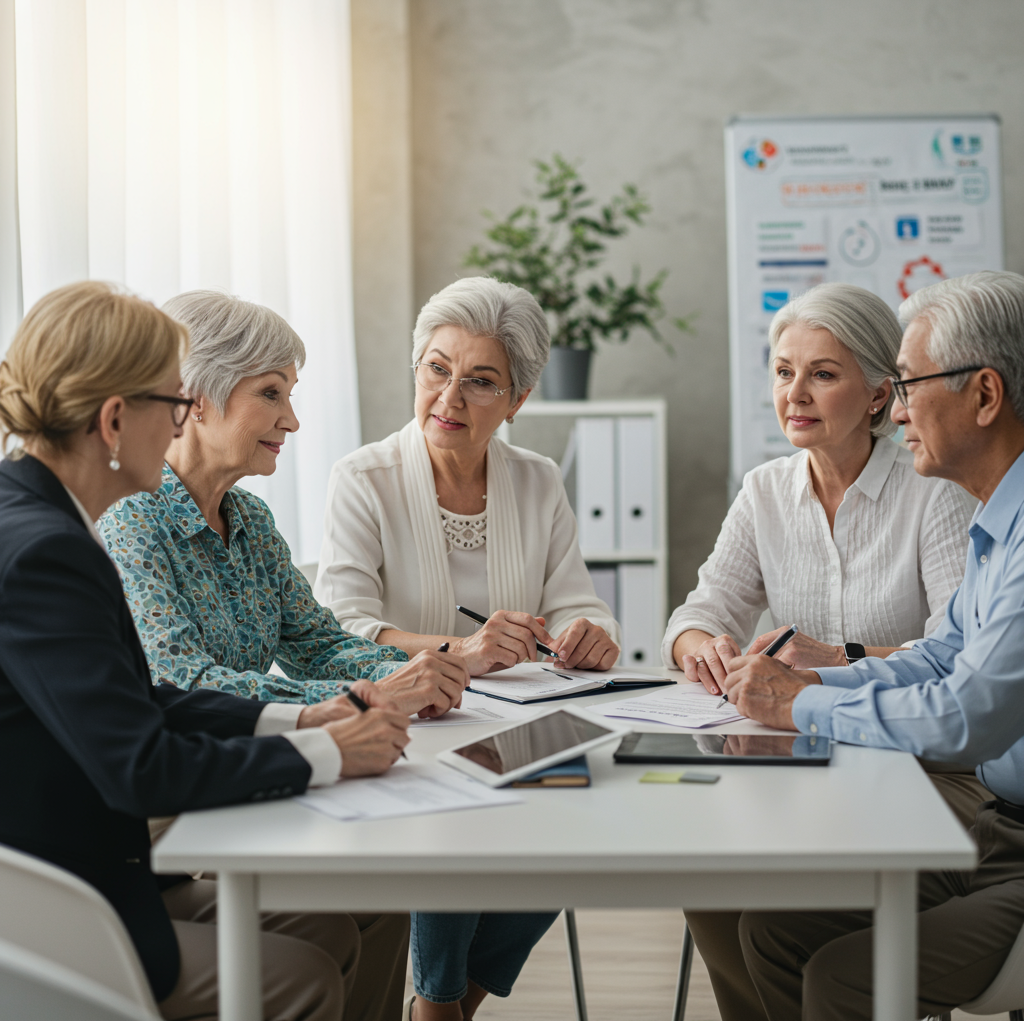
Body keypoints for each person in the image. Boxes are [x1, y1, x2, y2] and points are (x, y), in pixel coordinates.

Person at [0, 281, 411, 1021]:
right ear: (115, 418)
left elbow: (140, 701)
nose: (182, 423)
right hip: (53, 913)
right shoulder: (46, 553)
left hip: (92, 873)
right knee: (305, 976)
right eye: (175, 404)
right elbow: (140, 767)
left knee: (353, 914)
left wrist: (302, 725)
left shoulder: (39, 518)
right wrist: (329, 754)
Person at [663, 283, 981, 1021]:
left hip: (920, 764)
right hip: (802, 755)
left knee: (777, 913)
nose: (794, 394)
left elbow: (959, 651)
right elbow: (699, 609)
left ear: (877, 394)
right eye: (782, 372)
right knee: (709, 885)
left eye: (822, 374)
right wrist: (702, 646)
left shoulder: (933, 491)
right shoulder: (765, 490)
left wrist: (833, 655)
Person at [315, 276, 620, 1021]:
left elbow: (574, 598)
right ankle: (440, 1004)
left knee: (586, 805)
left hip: (517, 730)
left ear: (517, 400)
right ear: (416, 372)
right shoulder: (363, 478)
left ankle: (444, 1003)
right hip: (405, 732)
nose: (449, 398)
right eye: (436, 370)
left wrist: (589, 632)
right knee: (455, 805)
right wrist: (465, 649)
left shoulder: (538, 479)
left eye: (480, 381)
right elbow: (337, 634)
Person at [101, 290, 469, 721]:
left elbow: (319, 647)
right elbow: (183, 682)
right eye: (270, 393)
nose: (291, 420)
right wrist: (368, 697)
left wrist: (430, 672)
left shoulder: (250, 519)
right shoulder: (128, 518)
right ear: (195, 397)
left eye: (289, 395)